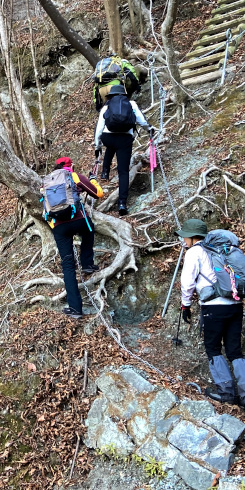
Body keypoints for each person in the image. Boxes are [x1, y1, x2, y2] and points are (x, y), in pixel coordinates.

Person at [177, 218, 245, 415]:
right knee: (234, 350)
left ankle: (226, 392)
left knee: (213, 348)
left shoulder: (194, 252)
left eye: (185, 237)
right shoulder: (222, 249)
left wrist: (185, 305)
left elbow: (187, 282)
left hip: (213, 306)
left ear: (192, 237)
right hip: (235, 303)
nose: (183, 240)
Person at [43, 157, 104, 319]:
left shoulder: (47, 183)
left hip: (59, 227)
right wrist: (93, 181)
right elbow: (98, 194)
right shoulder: (74, 176)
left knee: (68, 266)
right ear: (71, 166)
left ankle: (75, 308)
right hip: (78, 220)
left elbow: (45, 209)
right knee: (88, 230)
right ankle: (87, 264)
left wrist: (56, 227)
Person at [93, 84, 151, 215]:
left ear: (111, 96)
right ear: (124, 95)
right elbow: (141, 121)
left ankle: (105, 171)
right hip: (125, 139)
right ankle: (122, 204)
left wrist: (97, 147)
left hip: (108, 137)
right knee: (123, 171)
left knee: (110, 146)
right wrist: (150, 129)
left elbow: (98, 130)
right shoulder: (131, 104)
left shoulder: (106, 107)